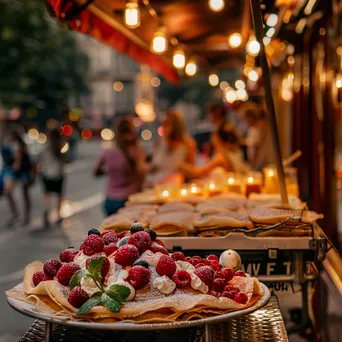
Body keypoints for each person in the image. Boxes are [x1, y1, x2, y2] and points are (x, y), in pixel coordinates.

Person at [94, 118, 147, 216]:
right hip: (130, 200)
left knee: (111, 230)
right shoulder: (137, 151)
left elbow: (96, 172)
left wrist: (111, 170)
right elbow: (142, 173)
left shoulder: (108, 152)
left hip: (110, 201)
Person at [178, 123, 250, 179]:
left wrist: (180, 165)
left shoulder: (220, 157)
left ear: (217, 138)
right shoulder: (232, 153)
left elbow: (198, 172)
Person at [146, 110, 196, 186]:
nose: (163, 127)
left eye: (166, 123)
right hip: (155, 186)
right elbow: (152, 168)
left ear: (176, 125)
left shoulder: (188, 145)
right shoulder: (158, 144)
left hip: (177, 187)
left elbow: (192, 172)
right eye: (162, 124)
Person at [4, 130, 33, 226]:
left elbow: (18, 161)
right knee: (20, 194)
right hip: (21, 172)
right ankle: (22, 216)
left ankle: (20, 215)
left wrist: (14, 167)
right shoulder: (17, 145)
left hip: (20, 172)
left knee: (21, 194)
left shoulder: (18, 146)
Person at [38, 128, 66, 227]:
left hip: (47, 174)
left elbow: (39, 160)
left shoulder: (45, 147)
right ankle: (58, 215)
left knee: (47, 195)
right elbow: (65, 161)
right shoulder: (61, 147)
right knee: (59, 195)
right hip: (58, 174)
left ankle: (46, 212)